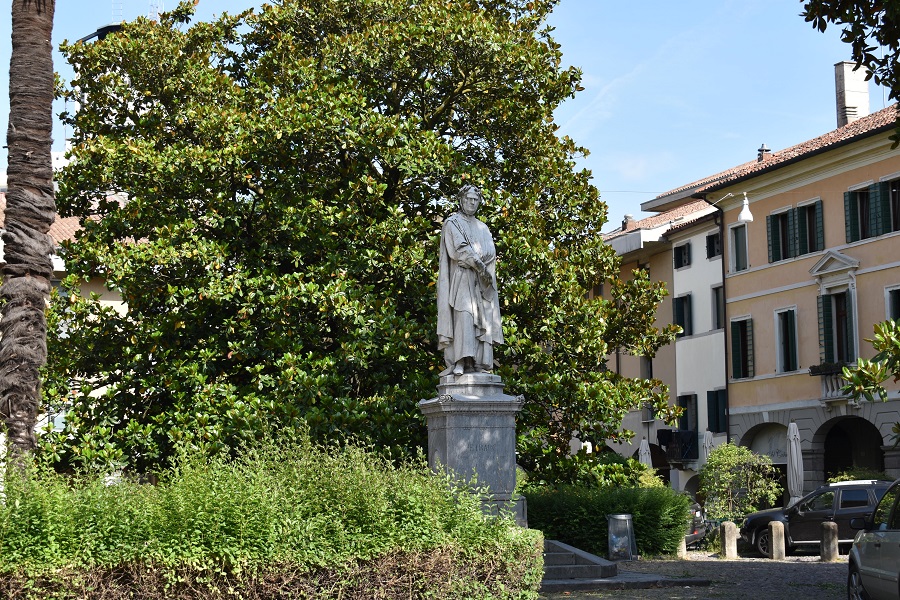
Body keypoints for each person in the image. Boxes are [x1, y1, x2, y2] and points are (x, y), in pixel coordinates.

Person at [436, 185, 503, 376]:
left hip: (480, 283)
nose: (472, 203)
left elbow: (490, 253)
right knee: (464, 317)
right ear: (461, 200)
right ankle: (460, 361)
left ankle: (476, 363)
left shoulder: (483, 227)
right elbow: (459, 250)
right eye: (468, 199)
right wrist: (477, 262)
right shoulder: (452, 223)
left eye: (475, 200)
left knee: (480, 321)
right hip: (462, 280)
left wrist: (477, 263)